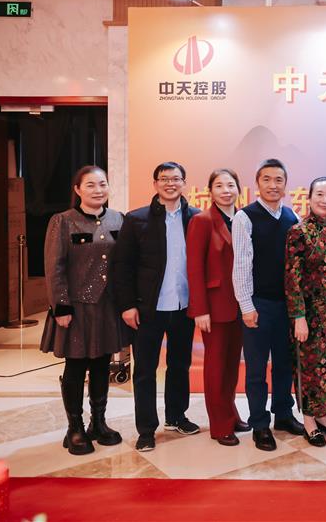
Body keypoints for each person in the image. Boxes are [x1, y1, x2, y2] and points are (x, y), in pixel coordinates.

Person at [111, 161, 200, 452]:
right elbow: (122, 266)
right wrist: (127, 305)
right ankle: (146, 429)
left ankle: (176, 417)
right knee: (145, 371)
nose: (170, 183)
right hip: (148, 308)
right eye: (164, 179)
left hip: (183, 306)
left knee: (179, 366)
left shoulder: (196, 218)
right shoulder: (136, 219)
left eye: (176, 179)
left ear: (184, 183)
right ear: (155, 184)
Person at [40, 166, 127, 455]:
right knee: (76, 365)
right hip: (75, 307)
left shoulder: (118, 219)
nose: (98, 190)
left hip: (107, 307)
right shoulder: (63, 221)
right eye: (90, 185)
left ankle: (98, 423)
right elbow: (54, 267)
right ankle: (74, 427)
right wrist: (61, 306)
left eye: (102, 184)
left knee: (102, 363)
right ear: (77, 189)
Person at [232, 158, 304, 451]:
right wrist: (246, 306)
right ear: (257, 183)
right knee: (257, 369)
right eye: (267, 179)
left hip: (287, 306)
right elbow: (240, 265)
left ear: (285, 185)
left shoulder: (291, 216)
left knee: (285, 365)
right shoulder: (244, 217)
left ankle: (283, 415)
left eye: (278, 180)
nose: (273, 185)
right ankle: (260, 424)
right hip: (258, 305)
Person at [185, 168, 249, 447]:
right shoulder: (202, 221)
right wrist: (200, 309)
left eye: (231, 185)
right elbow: (194, 267)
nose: (226, 190)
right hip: (214, 306)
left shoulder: (243, 219)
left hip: (241, 305)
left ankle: (231, 413)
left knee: (232, 365)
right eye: (219, 186)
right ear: (210, 191)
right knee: (216, 366)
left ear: (239, 189)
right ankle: (219, 424)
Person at [285, 177, 326, 447]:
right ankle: (309, 421)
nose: (325, 200)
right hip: (308, 315)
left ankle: (323, 416)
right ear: (309, 198)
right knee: (310, 368)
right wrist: (298, 317)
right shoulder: (298, 232)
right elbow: (292, 278)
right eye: (319, 194)